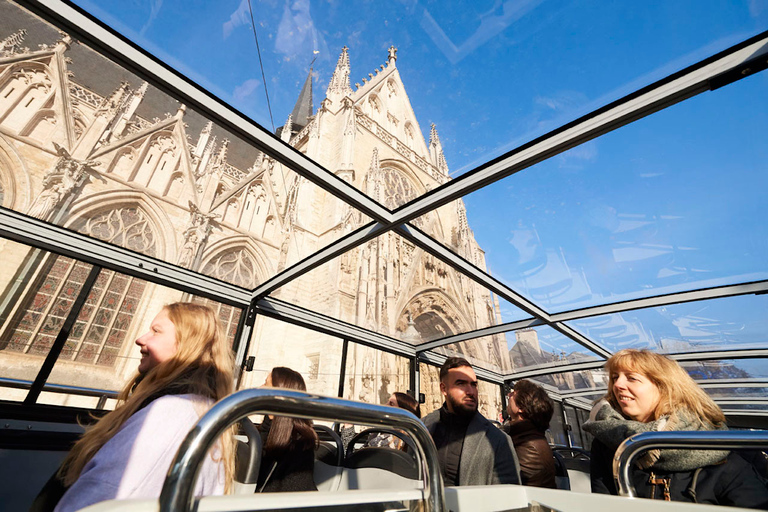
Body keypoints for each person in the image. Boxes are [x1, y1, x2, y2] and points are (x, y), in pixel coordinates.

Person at [33, 302, 235, 512]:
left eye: (156, 331)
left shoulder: (171, 413)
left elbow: (107, 498)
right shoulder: (186, 408)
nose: (140, 339)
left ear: (188, 343)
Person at [584, 349, 768, 508]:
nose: (617, 385)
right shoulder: (607, 443)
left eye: (631, 378)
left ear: (664, 387)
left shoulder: (722, 446)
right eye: (615, 377)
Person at [423, 357, 520, 486]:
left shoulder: (497, 440)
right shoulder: (423, 426)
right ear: (443, 389)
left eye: (473, 384)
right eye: (461, 383)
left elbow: (509, 497)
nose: (470, 392)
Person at [256, 367, 318, 492]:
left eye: (266, 383)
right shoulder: (260, 433)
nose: (260, 387)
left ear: (280, 396)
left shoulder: (299, 446)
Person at [503, 380, 557, 488]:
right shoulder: (528, 436)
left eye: (513, 394)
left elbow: (506, 482)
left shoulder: (529, 447)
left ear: (521, 408)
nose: (508, 395)